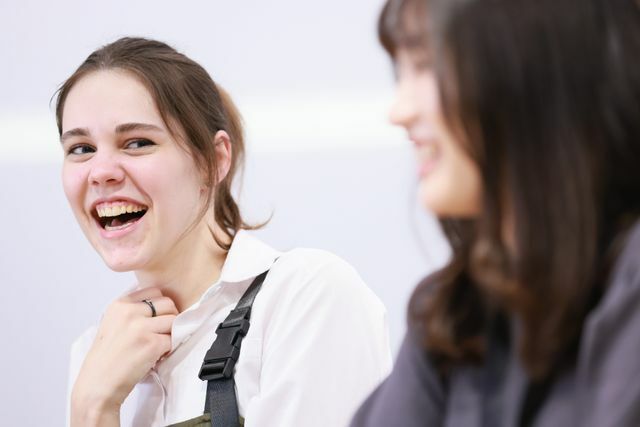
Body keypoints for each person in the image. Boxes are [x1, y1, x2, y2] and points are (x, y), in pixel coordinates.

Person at [58, 37, 391, 427]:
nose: (101, 172)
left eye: (137, 142)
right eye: (80, 148)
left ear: (214, 160)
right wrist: (93, 408)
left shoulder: (304, 298)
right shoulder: (93, 353)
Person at [352, 0, 640, 425]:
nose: (399, 111)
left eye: (426, 66)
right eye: (402, 73)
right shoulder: (453, 313)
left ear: (537, 70)